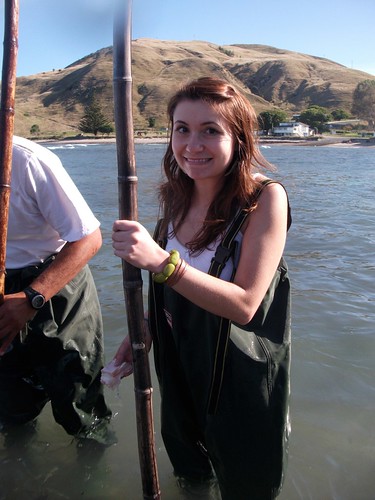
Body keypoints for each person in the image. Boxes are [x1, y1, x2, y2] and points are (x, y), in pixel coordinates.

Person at [109, 77, 291, 499]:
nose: (193, 143)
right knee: (189, 474)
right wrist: (146, 329)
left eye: (211, 130)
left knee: (246, 483)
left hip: (238, 379)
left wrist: (158, 261)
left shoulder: (264, 200)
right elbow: (179, 290)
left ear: (239, 138)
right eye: (182, 129)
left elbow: (246, 304)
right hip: (179, 367)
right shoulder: (175, 198)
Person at [0, 136, 111, 441]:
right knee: (11, 407)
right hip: (3, 288)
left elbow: (89, 239)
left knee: (80, 402)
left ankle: (96, 475)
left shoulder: (27, 160)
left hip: (55, 286)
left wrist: (32, 297)